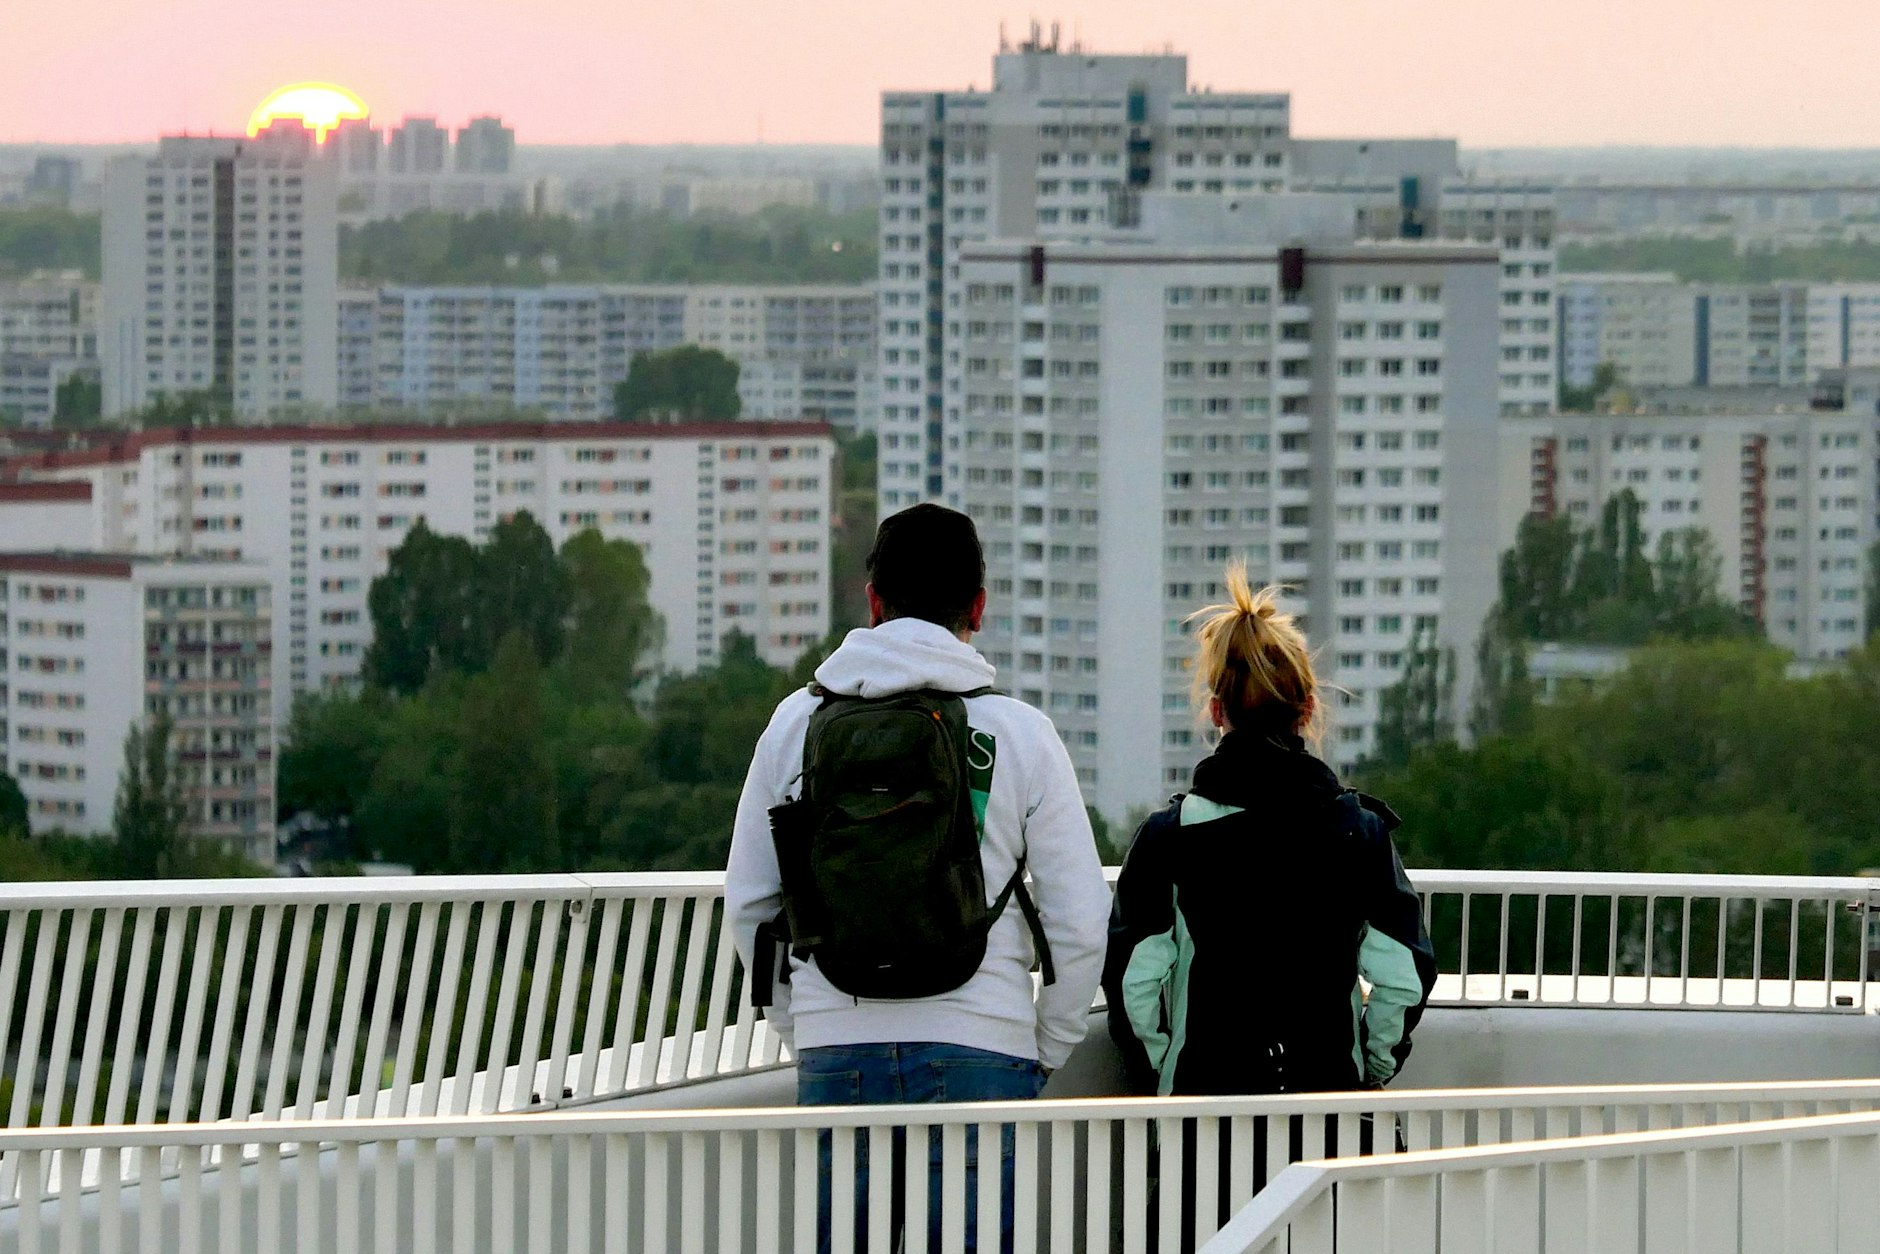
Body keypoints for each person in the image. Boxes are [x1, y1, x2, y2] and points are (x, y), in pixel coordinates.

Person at [727, 502, 1111, 1251]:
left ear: (873, 601)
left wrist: (802, 1025)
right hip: (983, 1044)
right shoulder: (1022, 733)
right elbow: (1079, 921)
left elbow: (750, 902)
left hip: (836, 1041)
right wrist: (1045, 1046)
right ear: (979, 607)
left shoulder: (793, 725)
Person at [1104, 565, 1436, 1099]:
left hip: (1203, 1125)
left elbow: (1134, 983)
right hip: (1326, 1118)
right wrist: (1371, 1066)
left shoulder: (1172, 837)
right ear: (1307, 709)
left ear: (1217, 711)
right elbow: (1401, 978)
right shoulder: (1358, 833)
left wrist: (1169, 1070)